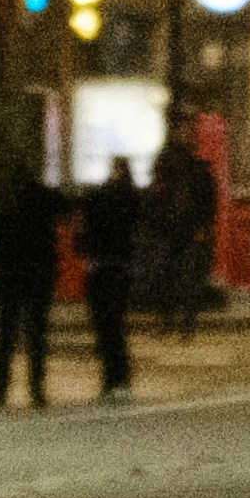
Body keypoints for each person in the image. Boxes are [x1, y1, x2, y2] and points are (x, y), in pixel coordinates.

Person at [0, 171, 66, 409]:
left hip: (10, 277)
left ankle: (0, 391)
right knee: (36, 335)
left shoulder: (3, 204)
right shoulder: (41, 199)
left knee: (6, 335)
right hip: (36, 275)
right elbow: (64, 208)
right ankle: (36, 389)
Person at [77, 154, 144, 401]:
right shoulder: (131, 199)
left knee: (103, 327)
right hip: (120, 269)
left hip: (99, 269)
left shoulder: (96, 200)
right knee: (116, 326)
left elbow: (81, 239)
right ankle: (121, 378)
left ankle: (110, 378)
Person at [150, 125, 223, 330]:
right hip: (175, 227)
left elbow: (208, 202)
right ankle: (174, 318)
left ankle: (182, 319)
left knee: (183, 273)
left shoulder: (196, 169)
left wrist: (203, 226)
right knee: (174, 273)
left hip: (185, 228)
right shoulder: (181, 169)